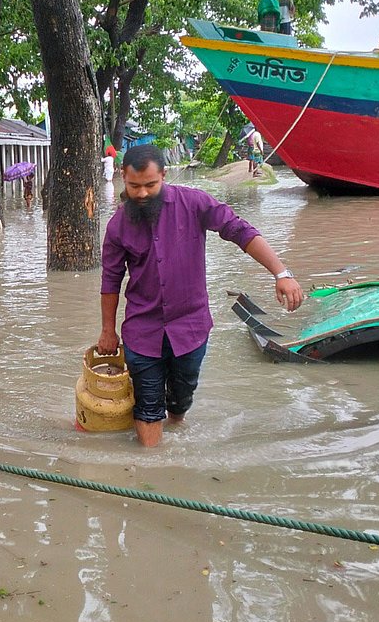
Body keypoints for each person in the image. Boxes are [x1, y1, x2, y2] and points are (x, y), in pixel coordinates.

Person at [97, 144, 305, 447]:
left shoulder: (194, 203)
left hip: (190, 328)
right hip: (142, 331)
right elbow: (110, 280)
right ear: (122, 178)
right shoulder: (118, 225)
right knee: (148, 404)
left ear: (164, 176)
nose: (142, 194)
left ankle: (177, 423)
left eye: (150, 185)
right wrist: (107, 330)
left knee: (181, 397)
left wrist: (281, 274)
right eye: (134, 186)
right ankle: (150, 470)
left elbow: (239, 230)